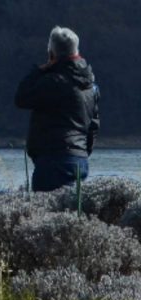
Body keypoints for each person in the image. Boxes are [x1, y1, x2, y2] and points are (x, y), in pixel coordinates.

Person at [15, 25, 100, 192]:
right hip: (80, 159)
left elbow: (21, 98)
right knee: (72, 211)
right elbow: (94, 125)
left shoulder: (54, 82)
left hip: (53, 159)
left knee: (46, 213)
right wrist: (82, 150)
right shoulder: (91, 85)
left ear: (51, 54)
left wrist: (38, 70)